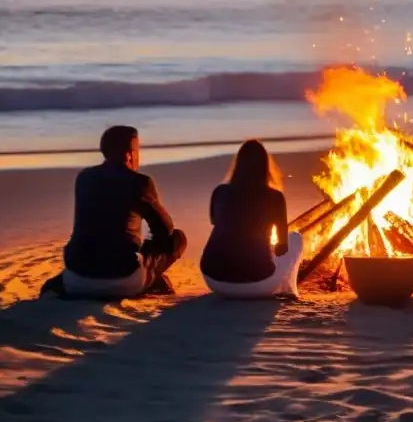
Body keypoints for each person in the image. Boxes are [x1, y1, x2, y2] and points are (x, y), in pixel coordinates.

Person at [41, 125, 187, 298]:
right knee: (178, 239)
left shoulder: (84, 178)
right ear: (129, 154)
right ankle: (150, 278)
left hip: (75, 277)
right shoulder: (141, 182)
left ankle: (72, 283)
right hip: (122, 279)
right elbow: (165, 231)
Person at [200, 139, 304, 298]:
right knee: (296, 238)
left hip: (214, 279)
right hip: (257, 283)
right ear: (265, 166)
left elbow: (214, 221)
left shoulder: (220, 192)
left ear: (238, 164)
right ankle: (288, 288)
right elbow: (282, 246)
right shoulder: (275, 197)